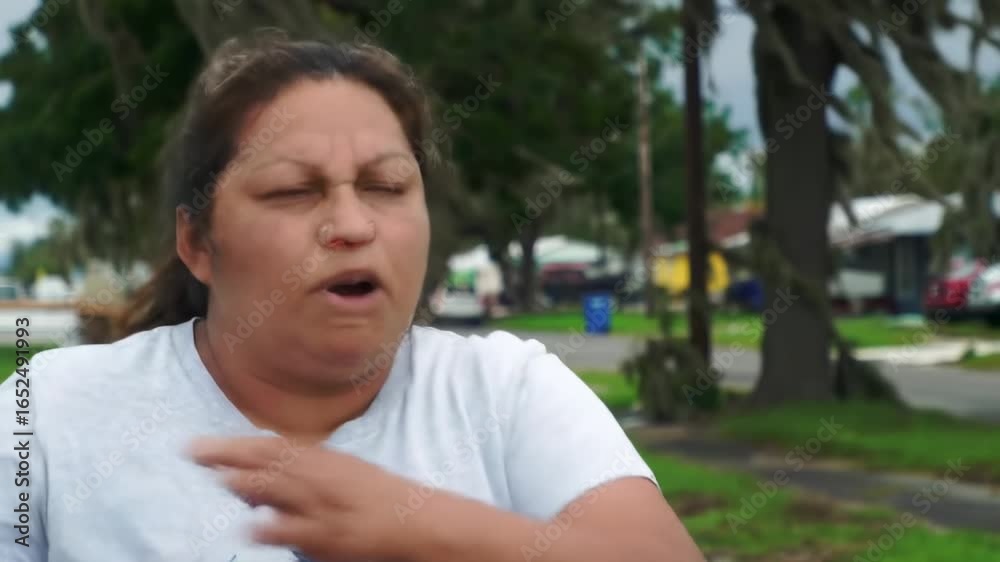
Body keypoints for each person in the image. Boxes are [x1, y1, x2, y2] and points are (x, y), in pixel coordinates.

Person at [0, 35, 705, 562]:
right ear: (198, 244)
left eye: (386, 186)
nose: (352, 225)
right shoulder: (51, 413)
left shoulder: (505, 391)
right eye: (293, 190)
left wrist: (424, 527)